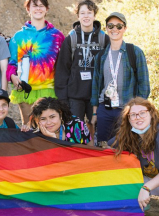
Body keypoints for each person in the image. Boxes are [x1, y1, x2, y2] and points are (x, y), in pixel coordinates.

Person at [111, 97, 159, 211]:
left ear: (151, 114)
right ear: (128, 119)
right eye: (133, 115)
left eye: (142, 113)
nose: (138, 117)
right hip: (144, 178)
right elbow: (108, 149)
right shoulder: (128, 133)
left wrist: (146, 188)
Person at [91, 12, 150, 145]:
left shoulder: (134, 52)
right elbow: (96, 86)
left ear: (125, 28)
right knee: (103, 147)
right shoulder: (101, 56)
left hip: (127, 110)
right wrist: (95, 114)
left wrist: (137, 112)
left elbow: (144, 86)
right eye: (111, 26)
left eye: (119, 26)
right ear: (106, 28)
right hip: (104, 110)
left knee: (126, 147)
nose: (115, 29)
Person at [54, 0, 109, 140]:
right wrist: (63, 99)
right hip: (74, 97)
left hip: (96, 98)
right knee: (74, 136)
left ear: (94, 15)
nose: (86, 16)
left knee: (99, 136)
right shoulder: (71, 39)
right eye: (82, 13)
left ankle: (97, 160)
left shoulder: (104, 39)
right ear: (77, 16)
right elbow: (62, 70)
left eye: (89, 13)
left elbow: (110, 69)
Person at [6, 0, 64, 126]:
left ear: (47, 9)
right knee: (28, 130)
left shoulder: (57, 36)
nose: (38, 9)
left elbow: (63, 65)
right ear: (28, 9)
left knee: (49, 129)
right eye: (34, 5)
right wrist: (12, 76)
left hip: (49, 91)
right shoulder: (18, 37)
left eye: (41, 5)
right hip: (25, 91)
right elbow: (11, 63)